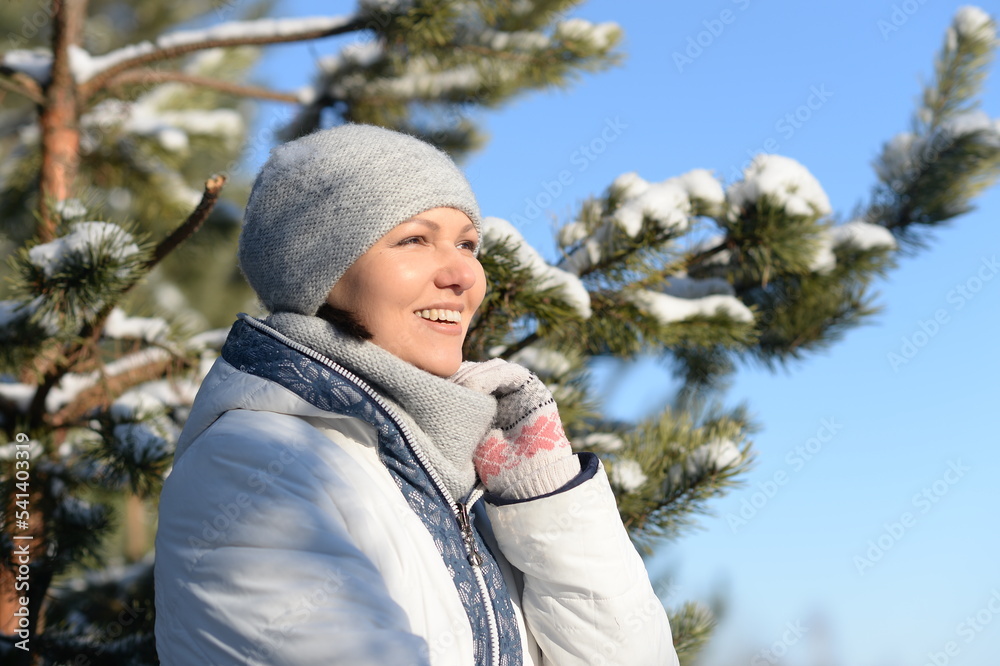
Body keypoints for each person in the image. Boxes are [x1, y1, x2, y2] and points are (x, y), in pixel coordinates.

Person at [153, 123, 679, 666]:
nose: (463, 274)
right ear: (318, 270)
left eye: (468, 244)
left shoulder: (463, 472)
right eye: (414, 239)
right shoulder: (253, 466)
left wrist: (547, 503)